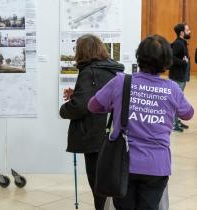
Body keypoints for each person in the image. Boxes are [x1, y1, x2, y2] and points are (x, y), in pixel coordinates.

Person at [88, 35, 194, 210]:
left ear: (139, 56)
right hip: (157, 165)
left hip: (123, 161)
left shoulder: (121, 81)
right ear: (167, 61)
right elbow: (188, 113)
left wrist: (117, 107)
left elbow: (93, 106)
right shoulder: (172, 89)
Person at [59, 34, 124, 210]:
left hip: (93, 135)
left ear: (82, 51)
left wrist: (64, 109)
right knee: (113, 178)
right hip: (114, 132)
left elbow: (81, 106)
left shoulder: (89, 71)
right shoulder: (115, 69)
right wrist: (77, 93)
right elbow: (100, 95)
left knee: (97, 182)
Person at [169, 23, 191, 132]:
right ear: (182, 33)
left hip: (181, 77)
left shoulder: (182, 43)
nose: (189, 31)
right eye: (187, 30)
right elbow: (171, 57)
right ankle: (173, 123)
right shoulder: (178, 43)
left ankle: (176, 121)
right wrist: (183, 62)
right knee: (175, 101)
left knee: (178, 100)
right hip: (177, 77)